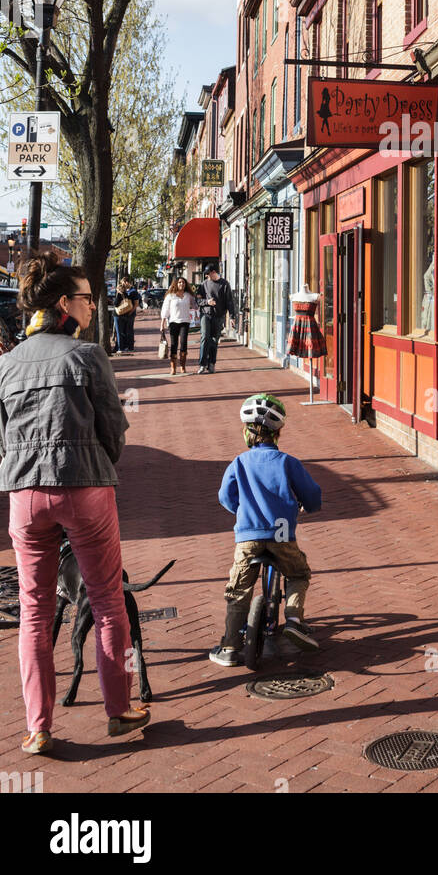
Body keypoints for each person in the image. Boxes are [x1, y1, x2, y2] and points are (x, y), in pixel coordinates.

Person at [0, 249, 150, 754]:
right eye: (87, 298)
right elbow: (115, 429)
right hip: (85, 487)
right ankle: (120, 710)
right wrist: (97, 463)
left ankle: (38, 726)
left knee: (35, 611)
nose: (93, 306)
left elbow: (3, 438)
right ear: (65, 302)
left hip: (25, 493)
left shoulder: (7, 364)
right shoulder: (87, 356)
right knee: (109, 603)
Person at [210, 393, 322, 666]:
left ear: (247, 434)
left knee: (238, 589)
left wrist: (242, 509)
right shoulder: (288, 462)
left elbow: (225, 497)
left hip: (249, 534)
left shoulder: (239, 462)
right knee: (298, 573)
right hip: (282, 533)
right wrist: (305, 505)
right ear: (278, 433)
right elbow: (313, 497)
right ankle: (294, 620)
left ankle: (230, 648)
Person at [197, 262, 236, 374]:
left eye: (208, 274)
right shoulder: (203, 284)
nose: (207, 277)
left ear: (214, 272)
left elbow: (229, 301)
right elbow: (198, 301)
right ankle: (202, 364)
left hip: (219, 316)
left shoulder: (224, 284)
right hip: (206, 315)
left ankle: (211, 363)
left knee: (214, 340)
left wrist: (232, 317)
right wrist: (207, 302)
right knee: (205, 337)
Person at [160, 276, 195, 375]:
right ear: (176, 284)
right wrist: (162, 324)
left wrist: (199, 301)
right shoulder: (170, 296)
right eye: (179, 282)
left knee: (183, 343)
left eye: (183, 283)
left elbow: (195, 305)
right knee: (174, 344)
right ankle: (173, 367)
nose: (181, 284)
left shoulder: (188, 295)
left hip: (185, 321)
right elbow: (165, 310)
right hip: (173, 322)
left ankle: (183, 366)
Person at [113, 277, 140, 355]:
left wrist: (130, 312)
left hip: (124, 314)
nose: (123, 284)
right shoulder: (127, 293)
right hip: (126, 313)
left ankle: (122, 347)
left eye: (123, 282)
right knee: (126, 331)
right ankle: (127, 346)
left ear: (126, 282)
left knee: (124, 331)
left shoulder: (132, 292)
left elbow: (136, 304)